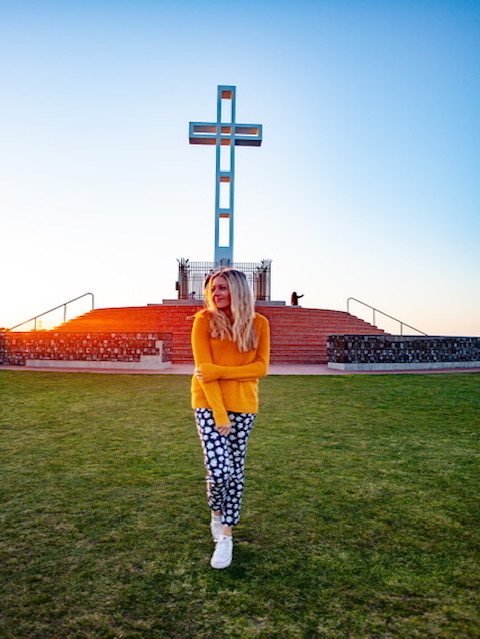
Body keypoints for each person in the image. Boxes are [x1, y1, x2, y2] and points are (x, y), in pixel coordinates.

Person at [191, 267, 270, 569]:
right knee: (219, 470)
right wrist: (219, 413)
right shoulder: (204, 321)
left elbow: (261, 367)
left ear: (237, 290)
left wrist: (222, 371)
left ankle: (226, 534)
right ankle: (215, 511)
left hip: (245, 405)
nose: (215, 294)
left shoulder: (259, 323)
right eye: (212, 288)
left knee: (236, 471)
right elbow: (203, 371)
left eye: (222, 288)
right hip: (208, 405)